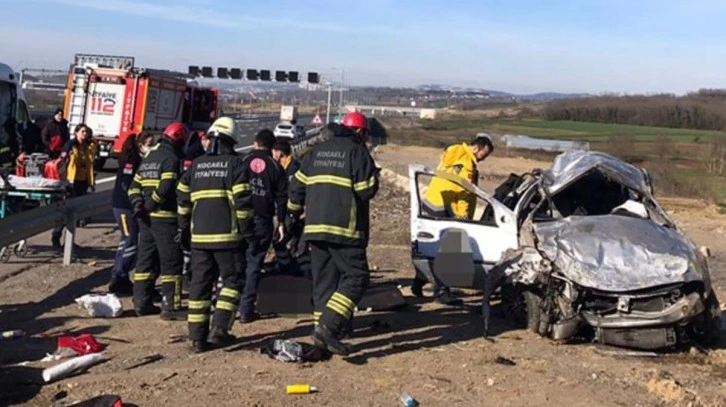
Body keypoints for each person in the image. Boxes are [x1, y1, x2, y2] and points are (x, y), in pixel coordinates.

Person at [286, 112, 379, 356]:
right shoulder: (357, 152)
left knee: (324, 283)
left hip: (315, 229)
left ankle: (326, 331)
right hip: (345, 229)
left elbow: (296, 188)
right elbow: (366, 191)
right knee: (356, 277)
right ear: (359, 132)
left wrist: (292, 217)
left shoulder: (315, 152)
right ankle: (328, 328)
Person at [177, 117, 253, 353]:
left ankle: (197, 339)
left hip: (199, 237)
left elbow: (182, 200)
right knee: (232, 282)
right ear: (232, 141)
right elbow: (243, 204)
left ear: (210, 139)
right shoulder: (236, 165)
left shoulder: (196, 166)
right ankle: (220, 329)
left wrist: (183, 229)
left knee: (199, 287)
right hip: (228, 238)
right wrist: (248, 232)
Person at [414, 134, 494, 304]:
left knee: (434, 247)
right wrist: (463, 217)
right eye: (483, 155)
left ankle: (418, 282)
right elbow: (464, 192)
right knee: (450, 251)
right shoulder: (468, 165)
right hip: (449, 207)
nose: (483, 159)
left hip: (433, 200)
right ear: (475, 148)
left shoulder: (455, 151)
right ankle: (442, 292)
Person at [128, 123, 188, 319]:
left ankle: (141, 303)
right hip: (165, 218)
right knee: (171, 261)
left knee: (145, 260)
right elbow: (167, 186)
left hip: (145, 220)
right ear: (178, 140)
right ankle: (170, 307)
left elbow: (134, 186)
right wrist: (151, 204)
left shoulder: (149, 158)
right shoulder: (171, 158)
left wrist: (139, 204)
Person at [238, 129, 287, 323]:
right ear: (272, 146)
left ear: (255, 143)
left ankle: (226, 306)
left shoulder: (242, 162)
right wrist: (281, 222)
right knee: (254, 263)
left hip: (240, 219)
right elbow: (282, 198)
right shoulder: (275, 167)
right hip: (263, 220)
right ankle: (246, 308)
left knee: (235, 262)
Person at [109, 133, 155, 295]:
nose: (152, 146)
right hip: (124, 206)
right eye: (149, 143)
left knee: (126, 240)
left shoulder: (138, 159)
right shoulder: (130, 160)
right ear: (140, 144)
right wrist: (135, 201)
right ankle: (120, 277)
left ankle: (119, 274)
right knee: (130, 241)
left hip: (126, 206)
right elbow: (126, 184)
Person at [51, 124, 96, 249]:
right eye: (82, 131)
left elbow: (89, 164)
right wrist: (63, 180)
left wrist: (91, 182)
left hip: (83, 181)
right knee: (66, 210)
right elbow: (61, 162)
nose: (85, 134)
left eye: (86, 132)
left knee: (76, 212)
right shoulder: (70, 145)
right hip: (71, 182)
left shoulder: (87, 146)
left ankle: (69, 242)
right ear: (76, 133)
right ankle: (56, 236)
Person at [270, 139, 302, 275]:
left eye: (273, 152)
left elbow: (293, 192)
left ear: (279, 153)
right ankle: (287, 264)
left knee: (279, 238)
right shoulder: (283, 168)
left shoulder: (293, 169)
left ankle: (287, 266)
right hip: (286, 211)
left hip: (293, 211)